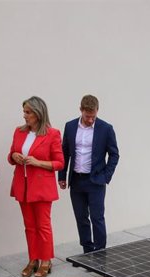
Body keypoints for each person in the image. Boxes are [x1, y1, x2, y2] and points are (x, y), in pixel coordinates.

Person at [8, 96, 64, 277]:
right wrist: (15, 156)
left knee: (43, 225)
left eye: (28, 112)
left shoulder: (52, 134)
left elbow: (59, 163)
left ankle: (46, 260)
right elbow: (10, 156)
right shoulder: (19, 132)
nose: (24, 115)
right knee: (29, 226)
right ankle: (33, 259)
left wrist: (38, 162)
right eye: (24, 111)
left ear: (38, 114)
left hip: (41, 187)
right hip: (22, 185)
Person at [58, 95, 119, 253]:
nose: (91, 120)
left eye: (93, 116)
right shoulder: (70, 126)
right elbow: (64, 152)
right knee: (81, 217)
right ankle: (87, 250)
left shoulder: (106, 128)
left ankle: (100, 252)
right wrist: (62, 176)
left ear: (97, 111)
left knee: (97, 218)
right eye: (87, 116)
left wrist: (106, 176)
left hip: (96, 181)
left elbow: (114, 154)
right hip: (76, 181)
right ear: (81, 110)